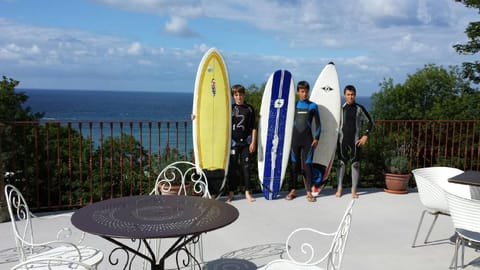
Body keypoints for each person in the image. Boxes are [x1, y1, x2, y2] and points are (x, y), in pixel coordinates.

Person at [336, 84, 374, 198]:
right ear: (344, 95)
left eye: (352, 94)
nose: (350, 97)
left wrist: (365, 135)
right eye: (348, 94)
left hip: (355, 141)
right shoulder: (340, 109)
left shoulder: (359, 108)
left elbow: (370, 121)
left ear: (355, 95)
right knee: (341, 164)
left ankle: (353, 190)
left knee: (355, 165)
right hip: (342, 141)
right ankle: (339, 188)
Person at [286, 81, 321, 202]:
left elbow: (318, 124)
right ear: (298, 92)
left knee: (308, 165)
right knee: (294, 165)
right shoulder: (293, 105)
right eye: (302, 91)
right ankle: (293, 190)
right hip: (294, 140)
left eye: (306, 91)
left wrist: (317, 138)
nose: (304, 94)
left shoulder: (313, 106)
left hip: (308, 140)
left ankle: (309, 192)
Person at [226, 84, 257, 202]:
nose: (239, 97)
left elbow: (253, 127)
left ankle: (247, 193)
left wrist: (253, 142)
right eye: (236, 95)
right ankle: (231, 193)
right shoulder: (230, 108)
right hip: (233, 143)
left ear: (244, 95)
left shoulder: (249, 109)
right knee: (232, 169)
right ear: (233, 96)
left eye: (241, 94)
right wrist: (195, 116)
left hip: (246, 143)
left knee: (246, 168)